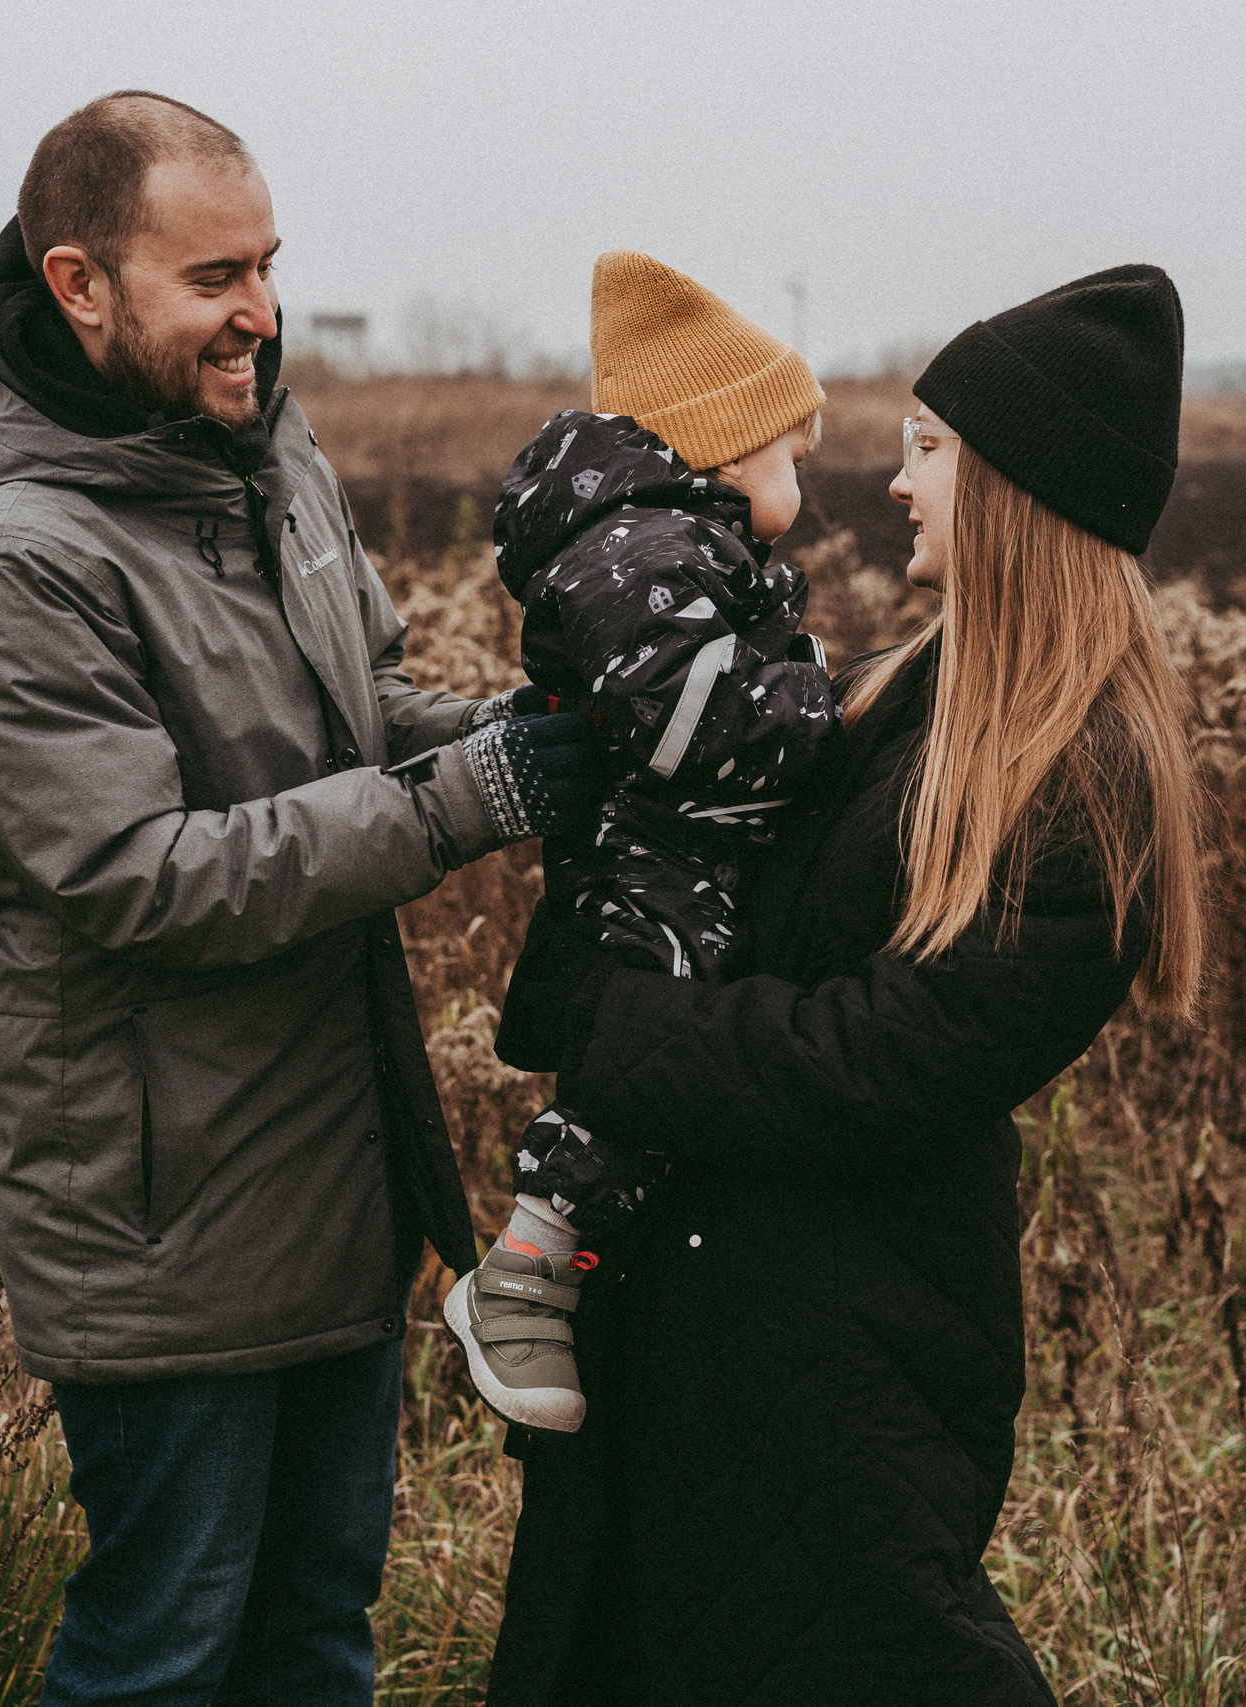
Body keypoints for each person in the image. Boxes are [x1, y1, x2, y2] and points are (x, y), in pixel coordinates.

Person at [0, 91, 598, 1707]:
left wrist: (515, 736)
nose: (261, 314)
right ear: (81, 286)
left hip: (333, 1187)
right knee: (163, 1656)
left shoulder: (272, 460)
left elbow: (368, 712)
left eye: (269, 266)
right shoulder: (10, 570)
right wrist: (466, 800)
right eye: (214, 277)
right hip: (165, 1232)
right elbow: (149, 877)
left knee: (312, 1639)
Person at [484, 265, 1210, 1705]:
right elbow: (704, 886)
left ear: (1017, 490)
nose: (893, 481)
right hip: (700, 1327)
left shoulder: (1082, 780)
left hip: (840, 1366)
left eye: (929, 448)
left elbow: (886, 1058)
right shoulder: (884, 696)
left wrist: (611, 1022)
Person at [442, 251, 839, 1435]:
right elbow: (689, 724)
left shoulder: (666, 547)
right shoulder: (645, 553)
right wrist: (825, 706)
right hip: (651, 873)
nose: (806, 486)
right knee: (646, 1071)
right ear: (725, 445)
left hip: (671, 859)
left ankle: (567, 1275)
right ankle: (525, 1270)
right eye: (795, 459)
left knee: (673, 1076)